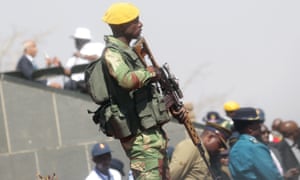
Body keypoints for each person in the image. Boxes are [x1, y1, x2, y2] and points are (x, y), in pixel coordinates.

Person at [100, 2, 186, 179]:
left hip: (153, 136)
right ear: (122, 26)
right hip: (141, 140)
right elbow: (125, 80)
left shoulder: (130, 53)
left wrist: (171, 106)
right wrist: (150, 72)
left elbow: (146, 97)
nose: (140, 24)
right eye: (135, 21)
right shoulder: (113, 53)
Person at [229, 107, 283, 180]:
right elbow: (273, 177)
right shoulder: (256, 147)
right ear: (250, 128)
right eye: (257, 123)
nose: (260, 126)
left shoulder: (234, 149)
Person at [64, 27, 104, 92]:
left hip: (88, 82)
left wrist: (82, 56)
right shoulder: (75, 54)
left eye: (77, 40)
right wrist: (59, 65)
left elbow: (99, 58)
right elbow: (67, 71)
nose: (75, 42)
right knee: (67, 85)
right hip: (75, 83)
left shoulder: (95, 47)